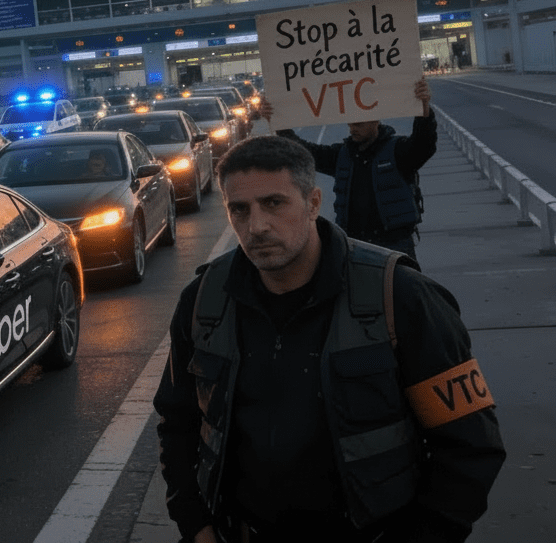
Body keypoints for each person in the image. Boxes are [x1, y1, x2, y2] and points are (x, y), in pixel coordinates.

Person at [154, 135, 504, 543]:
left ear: (313, 203)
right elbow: (177, 424)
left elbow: (469, 444)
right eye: (239, 209)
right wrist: (195, 525)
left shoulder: (401, 297)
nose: (257, 226)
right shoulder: (203, 302)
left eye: (274, 203)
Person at [260, 78, 436, 259]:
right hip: (355, 247)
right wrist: (277, 121)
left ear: (375, 120)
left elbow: (424, 143)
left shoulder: (398, 152)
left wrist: (424, 109)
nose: (352, 129)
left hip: (395, 248)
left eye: (358, 124)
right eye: (350, 124)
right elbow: (302, 152)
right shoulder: (342, 156)